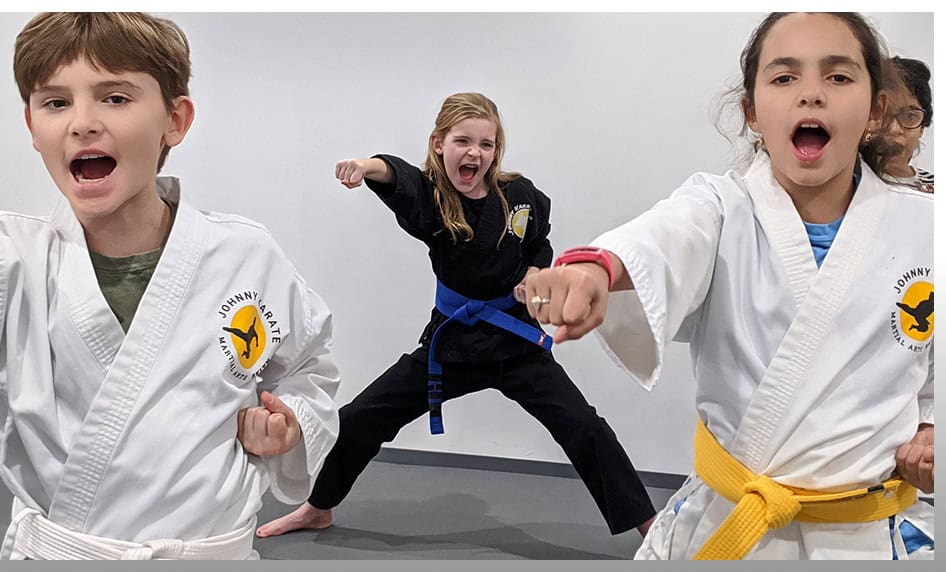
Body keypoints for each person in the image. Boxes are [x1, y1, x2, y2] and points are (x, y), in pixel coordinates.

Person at [520, 13, 933, 559]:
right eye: (785, 78)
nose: (811, 94)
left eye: (838, 76)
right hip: (733, 525)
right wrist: (595, 271)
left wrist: (930, 428)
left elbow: (929, 371)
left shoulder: (927, 226)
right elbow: (663, 239)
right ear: (753, 112)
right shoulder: (719, 207)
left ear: (875, 109)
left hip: (871, 535)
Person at [0, 12, 340, 560]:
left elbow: (308, 368)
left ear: (175, 121)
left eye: (115, 98)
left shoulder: (244, 255)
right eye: (55, 102)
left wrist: (292, 419)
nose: (82, 123)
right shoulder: (16, 262)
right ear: (32, 127)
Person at [255, 92, 656, 541]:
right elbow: (401, 180)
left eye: (486, 145)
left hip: (516, 342)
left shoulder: (518, 196)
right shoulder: (434, 200)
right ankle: (318, 506)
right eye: (463, 141)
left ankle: (650, 525)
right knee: (360, 419)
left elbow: (538, 242)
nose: (474, 153)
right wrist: (370, 166)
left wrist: (536, 273)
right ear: (438, 144)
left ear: (495, 151)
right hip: (450, 346)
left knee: (584, 427)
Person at [879, 56, 933, 193]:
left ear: (922, 127)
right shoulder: (844, 185)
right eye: (882, 116)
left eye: (909, 116)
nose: (893, 129)